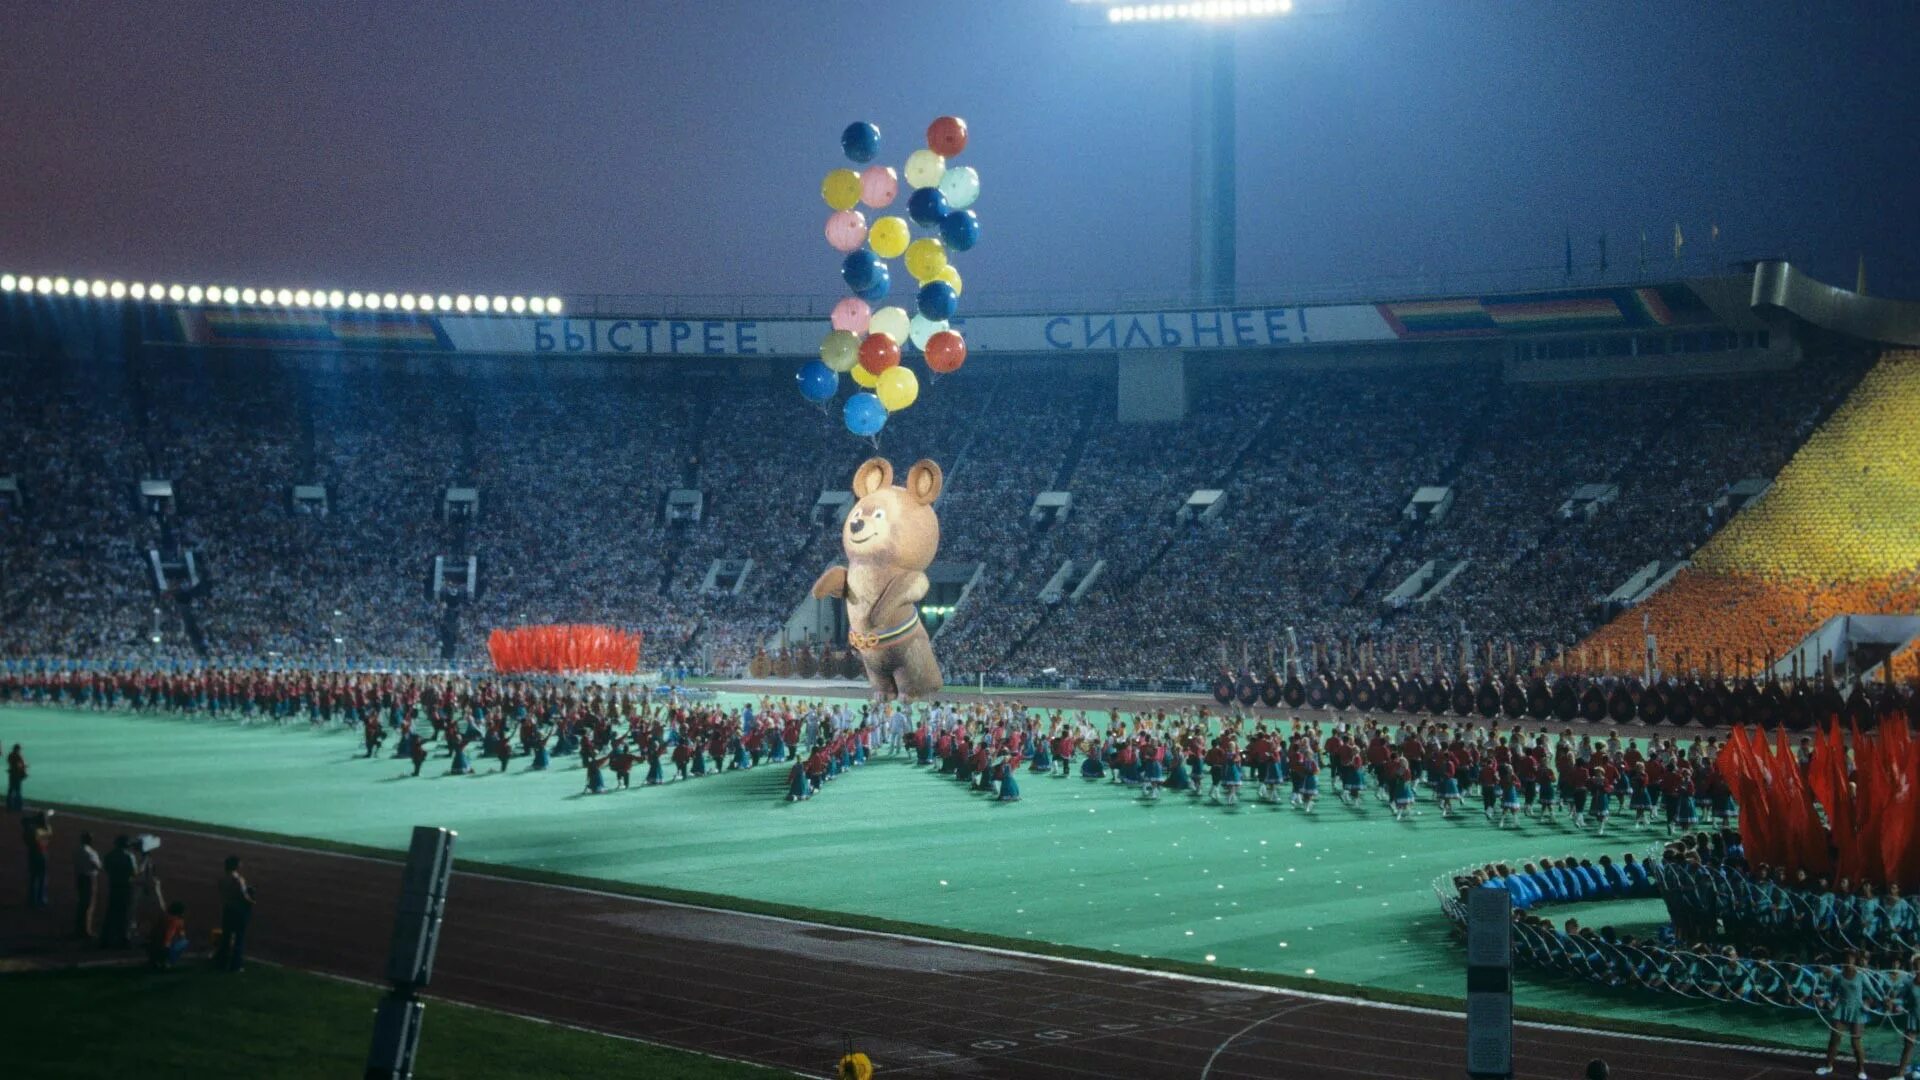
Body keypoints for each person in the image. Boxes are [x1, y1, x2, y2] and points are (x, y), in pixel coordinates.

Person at [1817, 950, 1870, 1079]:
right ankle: (1828, 1066)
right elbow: (1832, 992)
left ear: (1855, 960)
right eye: (1846, 959)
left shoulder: (1862, 976)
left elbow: (1873, 992)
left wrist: (1885, 1000)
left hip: (1857, 1010)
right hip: (1840, 1009)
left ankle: (1861, 1069)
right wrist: (1820, 997)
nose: (1848, 961)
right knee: (1834, 1039)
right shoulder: (1838, 976)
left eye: (1851, 959)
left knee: (1856, 1042)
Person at [215, 855, 254, 972]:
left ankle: (221, 962)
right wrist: (252, 901)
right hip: (239, 911)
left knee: (226, 937)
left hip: (227, 910)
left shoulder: (221, 879)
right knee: (239, 938)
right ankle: (236, 965)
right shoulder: (238, 880)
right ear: (236, 866)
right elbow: (244, 897)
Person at [101, 835, 141, 948]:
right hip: (125, 887)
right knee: (125, 913)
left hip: (113, 885)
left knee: (111, 912)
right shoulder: (129, 856)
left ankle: (105, 937)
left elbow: (106, 867)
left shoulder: (109, 855)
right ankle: (123, 938)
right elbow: (134, 872)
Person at [22, 810, 52, 908]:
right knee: (42, 878)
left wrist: (32, 820)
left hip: (32, 855)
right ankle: (41, 900)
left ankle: (31, 899)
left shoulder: (31, 830)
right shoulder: (46, 830)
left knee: (33, 878)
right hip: (42, 856)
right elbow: (47, 830)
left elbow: (26, 833)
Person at [74, 830, 101, 938]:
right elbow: (97, 866)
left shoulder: (78, 850)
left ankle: (79, 928)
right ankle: (86, 930)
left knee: (81, 903)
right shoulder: (90, 852)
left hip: (80, 877)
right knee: (88, 905)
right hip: (89, 878)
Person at [147, 900, 189, 969]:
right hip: (164, 946)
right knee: (184, 942)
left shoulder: (163, 916)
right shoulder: (177, 921)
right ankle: (167, 962)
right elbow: (179, 935)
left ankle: (156, 961)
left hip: (152, 944)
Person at [5, 743, 25, 812]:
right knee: (18, 792)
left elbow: (10, 763)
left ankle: (9, 806)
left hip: (11, 776)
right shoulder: (18, 756)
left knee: (10, 791)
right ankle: (18, 807)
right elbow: (21, 765)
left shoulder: (10, 755)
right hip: (17, 776)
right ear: (17, 749)